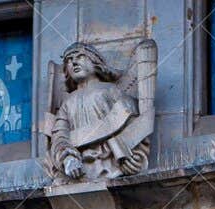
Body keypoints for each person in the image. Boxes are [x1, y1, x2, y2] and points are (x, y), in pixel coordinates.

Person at [45, 42, 149, 182]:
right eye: (69, 60)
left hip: (111, 166)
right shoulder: (67, 103)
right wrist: (67, 158)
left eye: (80, 56)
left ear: (95, 61)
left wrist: (135, 156)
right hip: (80, 170)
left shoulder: (112, 90)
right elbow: (59, 136)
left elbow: (134, 125)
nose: (74, 62)